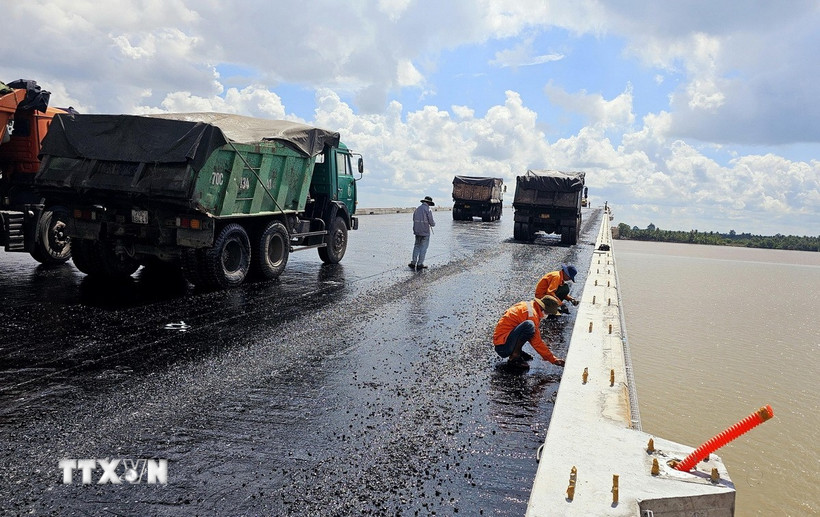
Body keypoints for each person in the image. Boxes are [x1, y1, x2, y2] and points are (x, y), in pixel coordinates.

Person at [493, 295, 566, 367]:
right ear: (544, 308)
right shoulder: (532, 315)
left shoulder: (528, 305)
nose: (548, 315)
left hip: (502, 340)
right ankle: (515, 356)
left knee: (527, 328)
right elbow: (536, 342)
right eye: (548, 313)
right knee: (529, 326)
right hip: (503, 348)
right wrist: (553, 359)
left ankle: (517, 351)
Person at [409, 195, 436, 270]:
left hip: (417, 231)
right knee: (423, 248)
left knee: (416, 246)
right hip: (425, 232)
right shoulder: (428, 210)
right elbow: (431, 222)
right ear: (429, 203)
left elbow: (414, 219)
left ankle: (413, 263)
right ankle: (420, 264)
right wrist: (433, 224)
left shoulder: (417, 209)